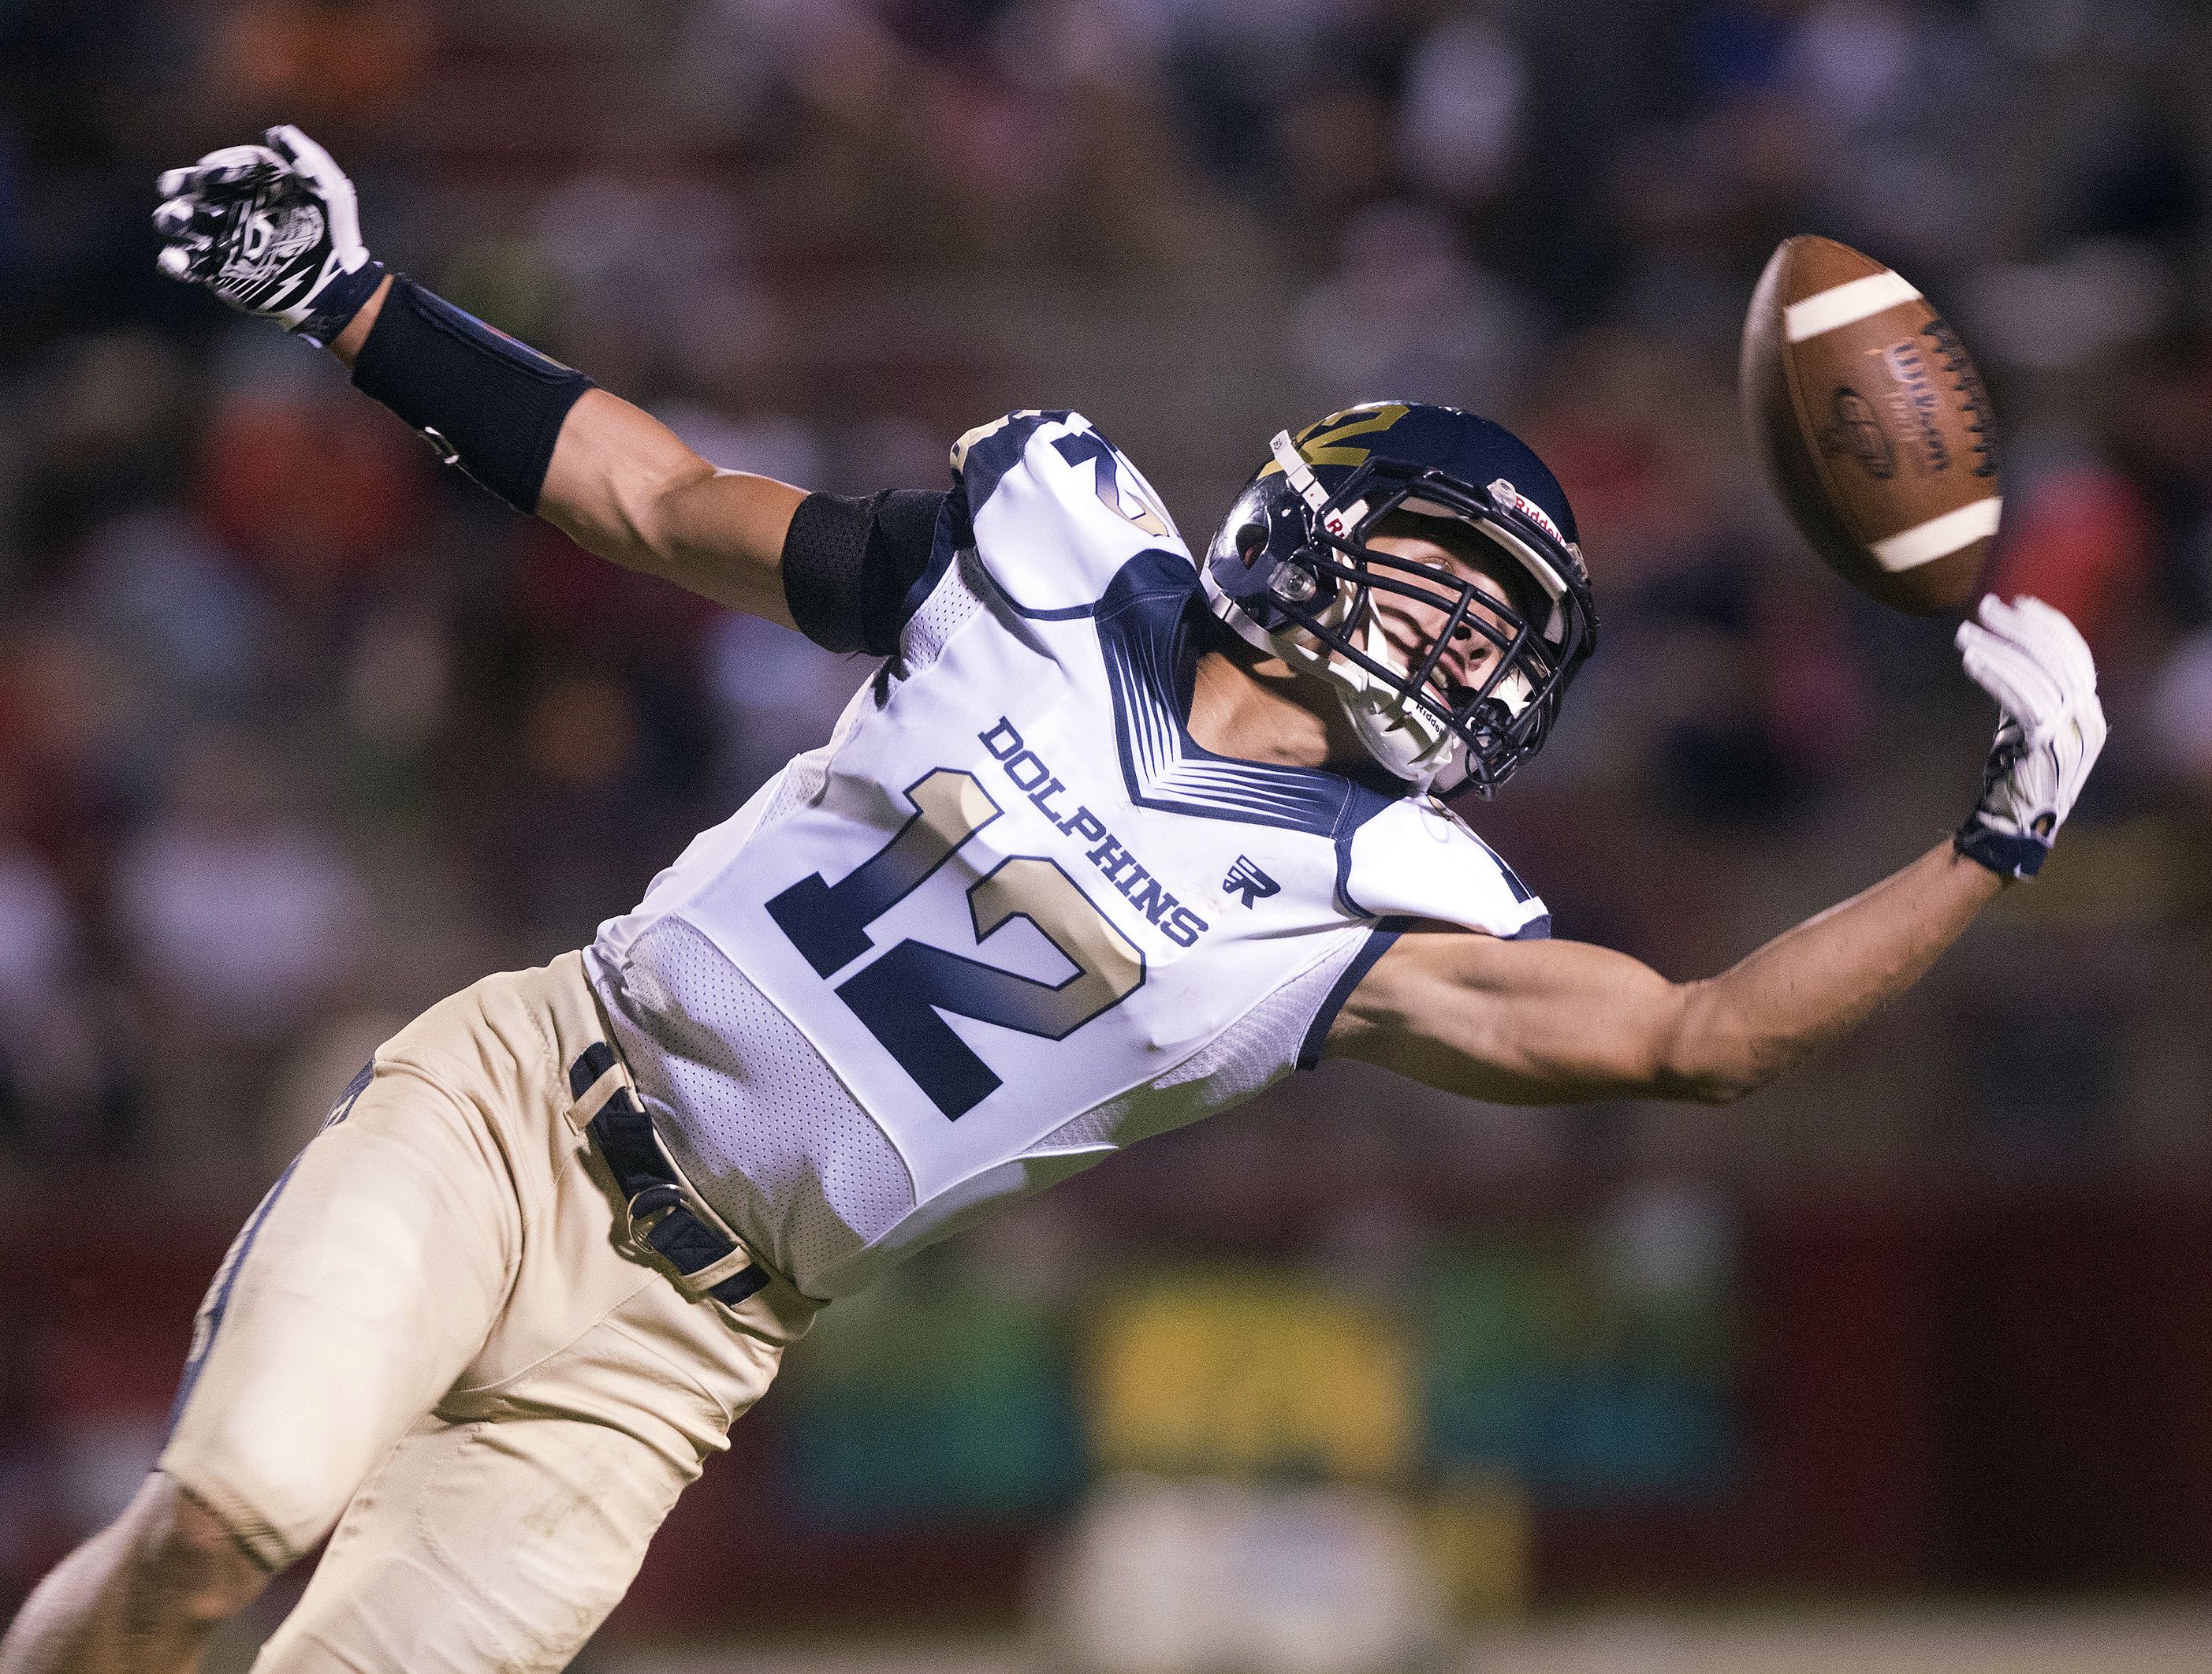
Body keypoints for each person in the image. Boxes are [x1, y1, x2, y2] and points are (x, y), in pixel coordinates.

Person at [2, 128, 2105, 1674]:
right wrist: (362, 306)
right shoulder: (1045, 556)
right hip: (523, 1109)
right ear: (1308, 528)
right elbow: (654, 498)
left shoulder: (1382, 890)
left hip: (678, 1352)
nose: (1469, 654)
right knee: (235, 1514)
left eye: (1506, 634)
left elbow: (1698, 1040)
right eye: (1449, 584)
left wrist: (1987, 839)